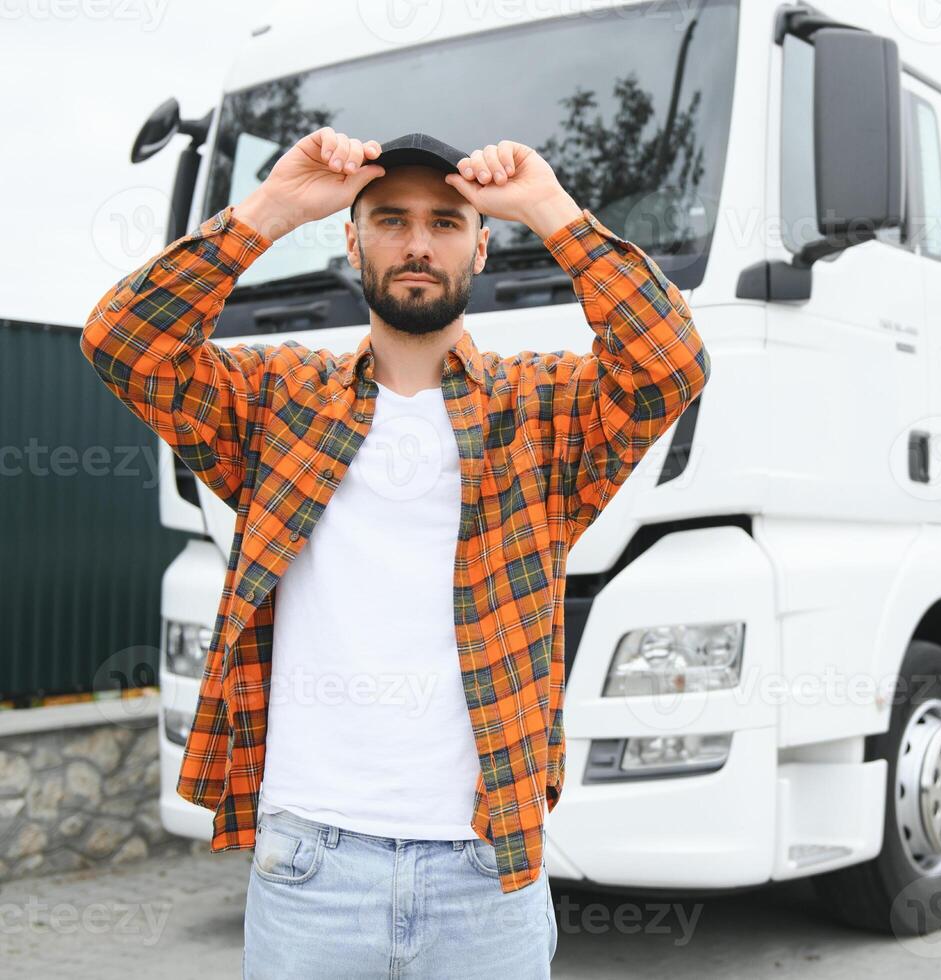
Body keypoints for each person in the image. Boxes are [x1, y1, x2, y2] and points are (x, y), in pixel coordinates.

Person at [79, 127, 711, 978]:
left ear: (483, 244)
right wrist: (270, 208)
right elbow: (124, 343)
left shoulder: (540, 410)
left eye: (447, 222)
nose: (418, 243)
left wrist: (553, 212)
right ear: (351, 238)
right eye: (391, 220)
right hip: (310, 862)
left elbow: (669, 365)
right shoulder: (278, 400)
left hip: (485, 869)